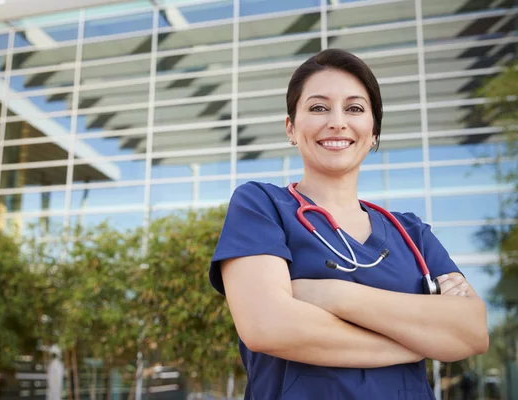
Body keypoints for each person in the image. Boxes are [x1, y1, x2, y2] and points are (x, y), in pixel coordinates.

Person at [208, 49, 489, 399]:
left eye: (354, 108)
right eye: (318, 108)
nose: (337, 121)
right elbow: (268, 326)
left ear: (373, 133)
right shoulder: (262, 206)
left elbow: (472, 333)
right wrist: (416, 342)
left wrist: (332, 294)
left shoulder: (412, 233)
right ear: (291, 128)